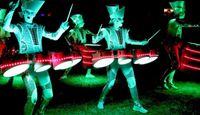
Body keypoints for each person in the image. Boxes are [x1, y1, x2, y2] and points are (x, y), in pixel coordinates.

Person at [3, 0, 69, 115]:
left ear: (35, 14)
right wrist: (12, 10)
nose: (29, 14)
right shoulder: (19, 27)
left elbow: (54, 37)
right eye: (27, 12)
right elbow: (6, 26)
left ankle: (41, 111)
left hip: (41, 65)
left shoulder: (39, 27)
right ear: (23, 13)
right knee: (33, 99)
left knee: (49, 95)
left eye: (32, 13)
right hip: (26, 66)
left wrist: (62, 28)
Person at [92, 5, 149, 113]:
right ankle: (101, 99)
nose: (122, 21)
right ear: (113, 20)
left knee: (132, 81)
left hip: (124, 58)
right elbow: (95, 40)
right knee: (111, 83)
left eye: (122, 19)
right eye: (119, 19)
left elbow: (129, 41)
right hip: (112, 59)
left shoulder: (125, 30)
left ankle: (137, 105)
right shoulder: (105, 30)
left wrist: (141, 42)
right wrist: (95, 38)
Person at [161, 0, 186, 90]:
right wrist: (195, 25)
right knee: (175, 65)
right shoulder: (173, 21)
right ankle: (163, 81)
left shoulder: (178, 22)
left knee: (174, 64)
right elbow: (185, 25)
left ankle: (170, 82)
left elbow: (180, 32)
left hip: (176, 45)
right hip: (170, 45)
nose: (183, 16)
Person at [62, 14, 96, 79]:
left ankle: (88, 74)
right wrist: (70, 44)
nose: (84, 22)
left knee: (89, 58)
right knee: (73, 60)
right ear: (77, 23)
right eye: (82, 21)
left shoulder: (85, 30)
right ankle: (64, 74)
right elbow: (66, 36)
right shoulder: (73, 30)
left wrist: (97, 35)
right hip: (76, 48)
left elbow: (94, 34)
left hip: (85, 48)